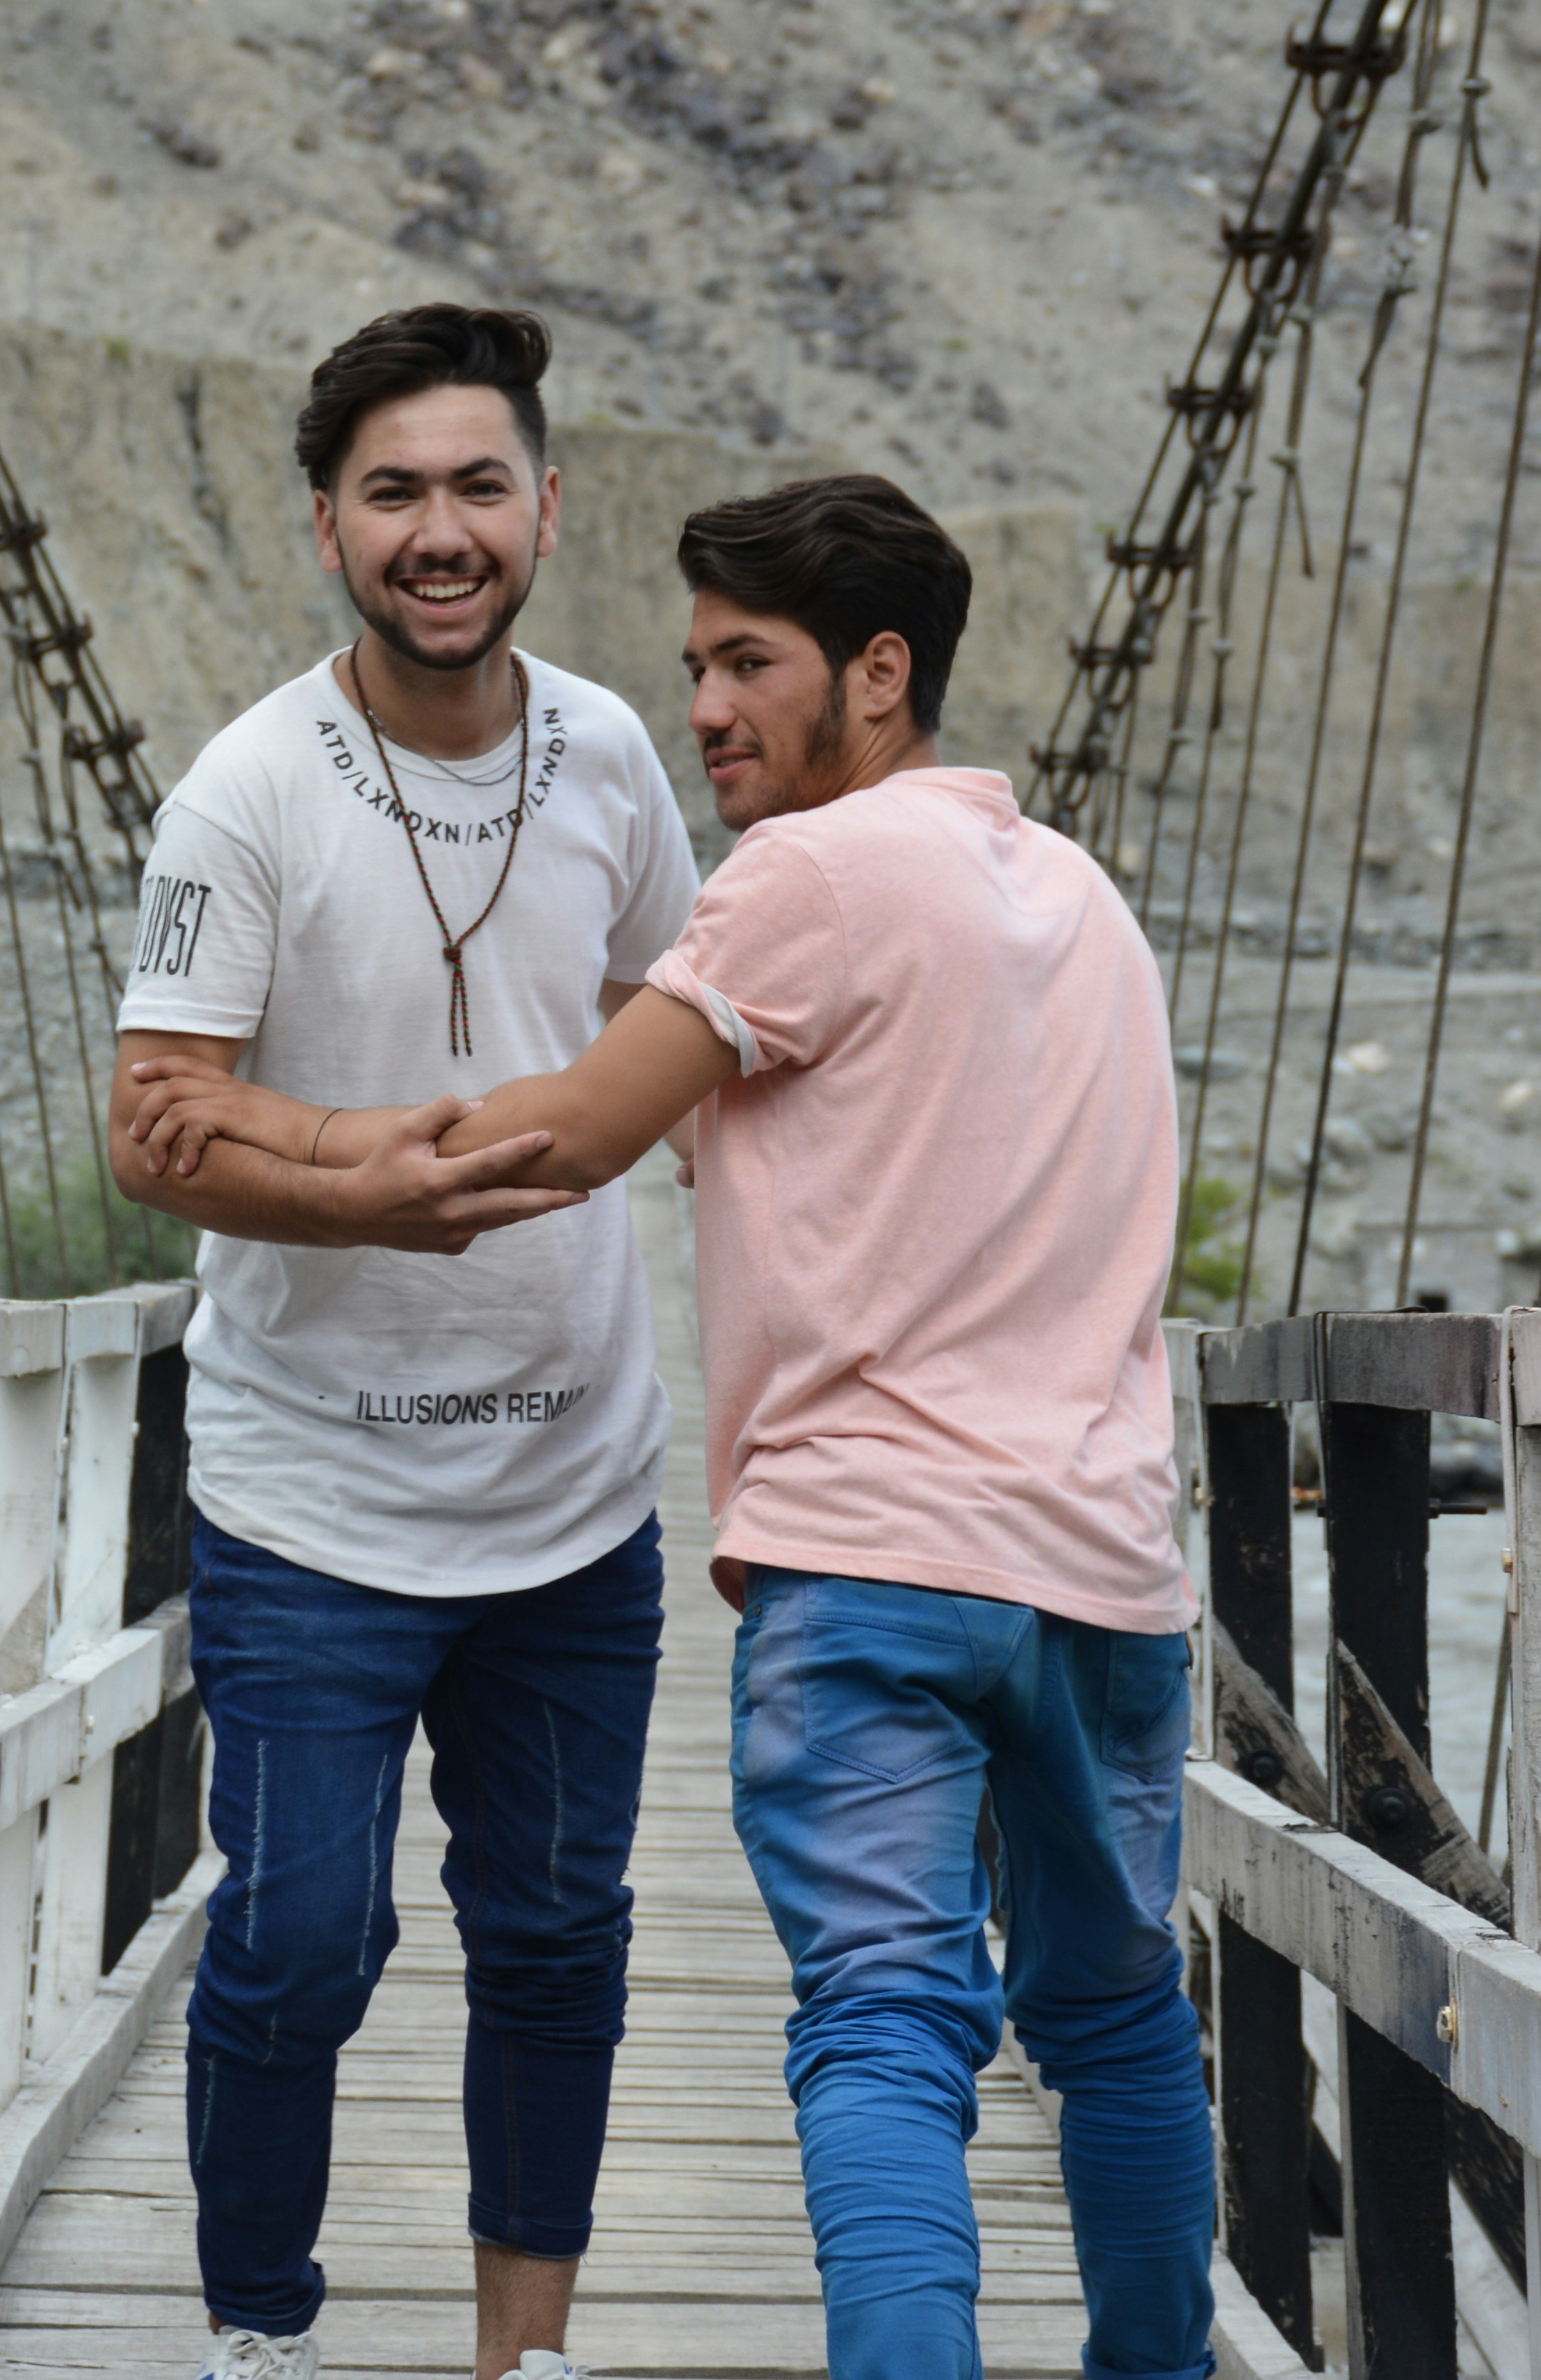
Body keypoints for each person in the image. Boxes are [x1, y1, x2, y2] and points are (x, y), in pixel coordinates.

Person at [125, 474, 1214, 2380]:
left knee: (884, 2020)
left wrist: (250, 1129)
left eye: (747, 663)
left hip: (877, 1570)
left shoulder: (806, 880)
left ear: (879, 674)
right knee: (1120, 2023)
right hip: (1111, 1576)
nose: (701, 703)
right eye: (694, 663)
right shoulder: (1085, 903)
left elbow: (566, 1135)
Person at [107, 304, 703, 2380]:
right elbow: (151, 1119)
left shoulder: (620, 754)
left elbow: (690, 1063)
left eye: (475, 486)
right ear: (328, 529)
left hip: (574, 1496)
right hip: (313, 1493)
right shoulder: (246, 792)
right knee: (293, 1945)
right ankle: (258, 2337)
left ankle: (516, 2360)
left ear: (547, 507)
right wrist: (361, 1176)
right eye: (392, 494)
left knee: (555, 1947)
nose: (437, 532)